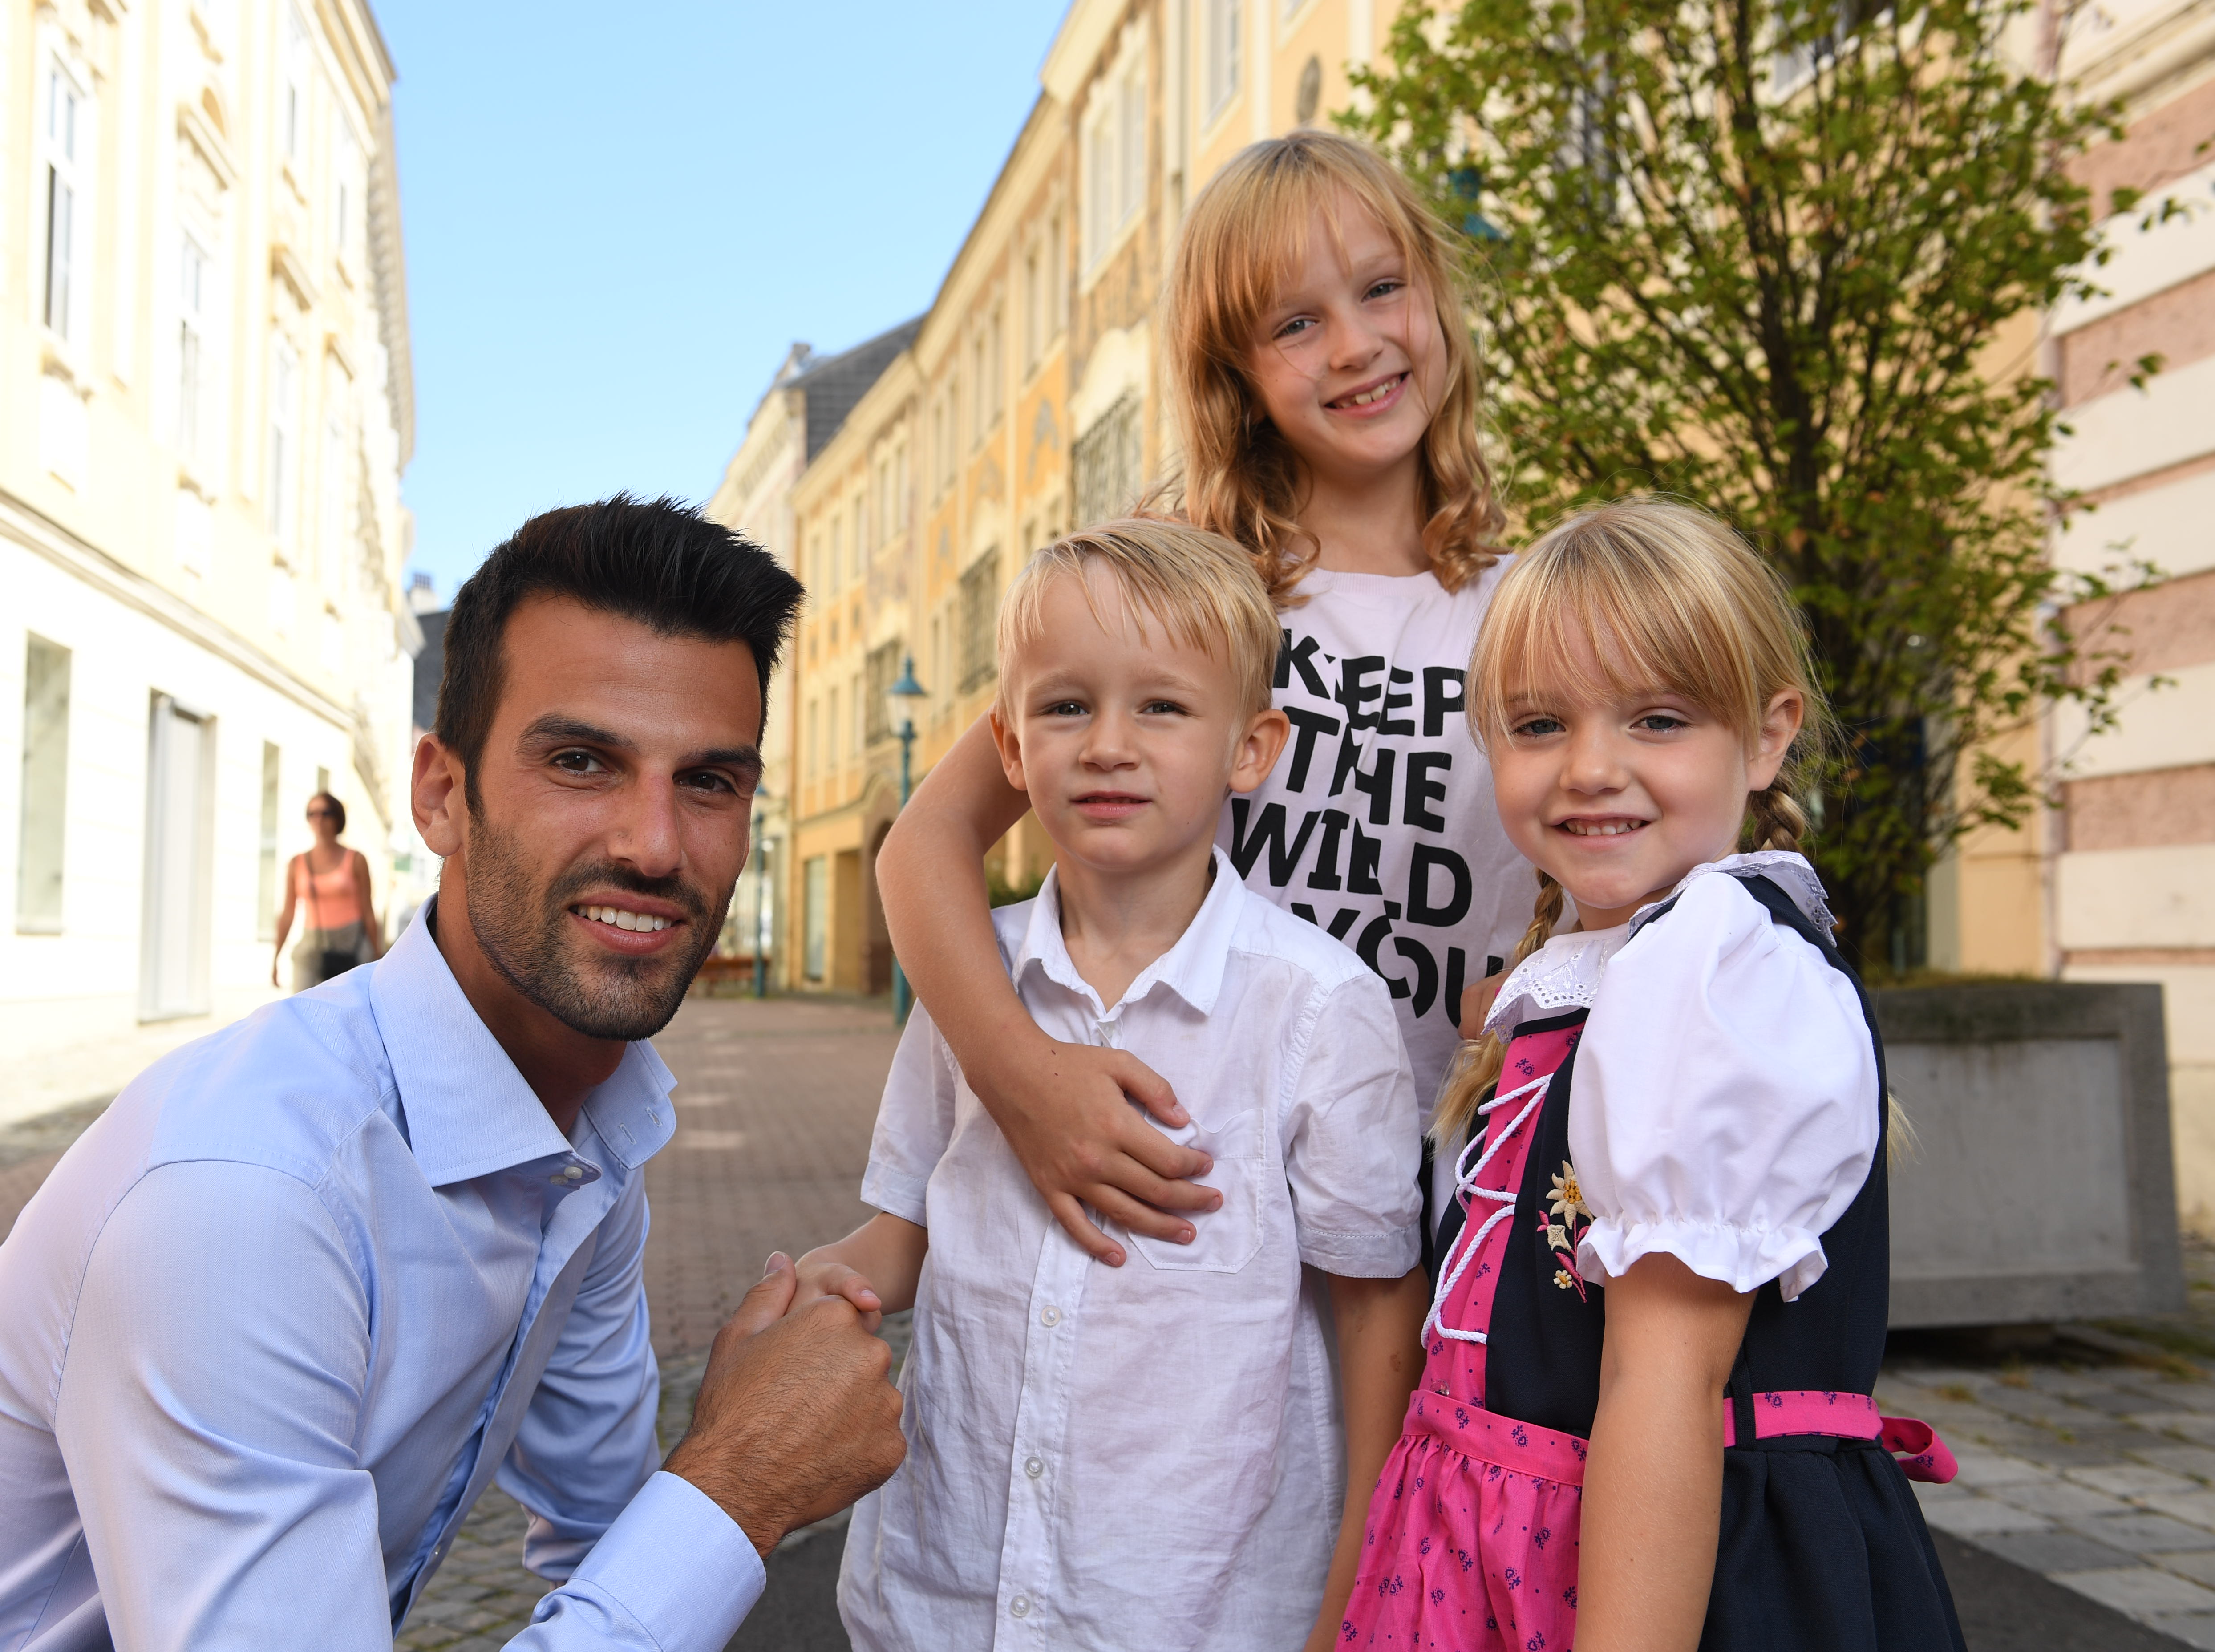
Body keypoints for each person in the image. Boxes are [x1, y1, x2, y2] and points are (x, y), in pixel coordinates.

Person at [0, 498, 906, 1652]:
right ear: (441, 794)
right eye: (581, 761)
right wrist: (737, 1482)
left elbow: (606, 1543)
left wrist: (720, 1470)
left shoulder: (594, 1130)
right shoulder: (246, 1198)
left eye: (708, 781)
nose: (653, 844)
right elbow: (679, 1536)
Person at [876, 130, 1538, 1271]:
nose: (1357, 344)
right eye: (1296, 322)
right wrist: (1023, 1078)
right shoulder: (1182, 587)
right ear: (1235, 371)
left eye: (1382, 288)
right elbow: (920, 845)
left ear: (1436, 293)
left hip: (1446, 1202)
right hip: (1186, 1189)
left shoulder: (1531, 608)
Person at [1340, 499, 1964, 1651]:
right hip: (1489, 1543)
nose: (1590, 768)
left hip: (1664, 1581)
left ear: (1768, 736)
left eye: (1658, 718)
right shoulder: (1593, 977)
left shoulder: (1712, 970)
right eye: (1539, 724)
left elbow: (1662, 1390)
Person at [801, 522, 1430, 1651]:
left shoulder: (1319, 1007)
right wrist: (813, 1286)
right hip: (942, 1597)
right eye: (1065, 706)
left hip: (1195, 1611)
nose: (1106, 745)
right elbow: (907, 1232)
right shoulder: (969, 982)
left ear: (1250, 748)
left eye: (1161, 707)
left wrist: (1356, 1591)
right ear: (1009, 744)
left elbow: (1375, 1309)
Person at [272, 789, 385, 988]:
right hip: (312, 945)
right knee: (303, 1004)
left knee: (348, 1004)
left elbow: (368, 910)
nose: (318, 819)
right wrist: (276, 958)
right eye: (312, 814)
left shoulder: (356, 859)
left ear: (338, 817)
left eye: (325, 813)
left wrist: (377, 954)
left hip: (350, 945)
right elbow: (288, 912)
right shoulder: (297, 863)